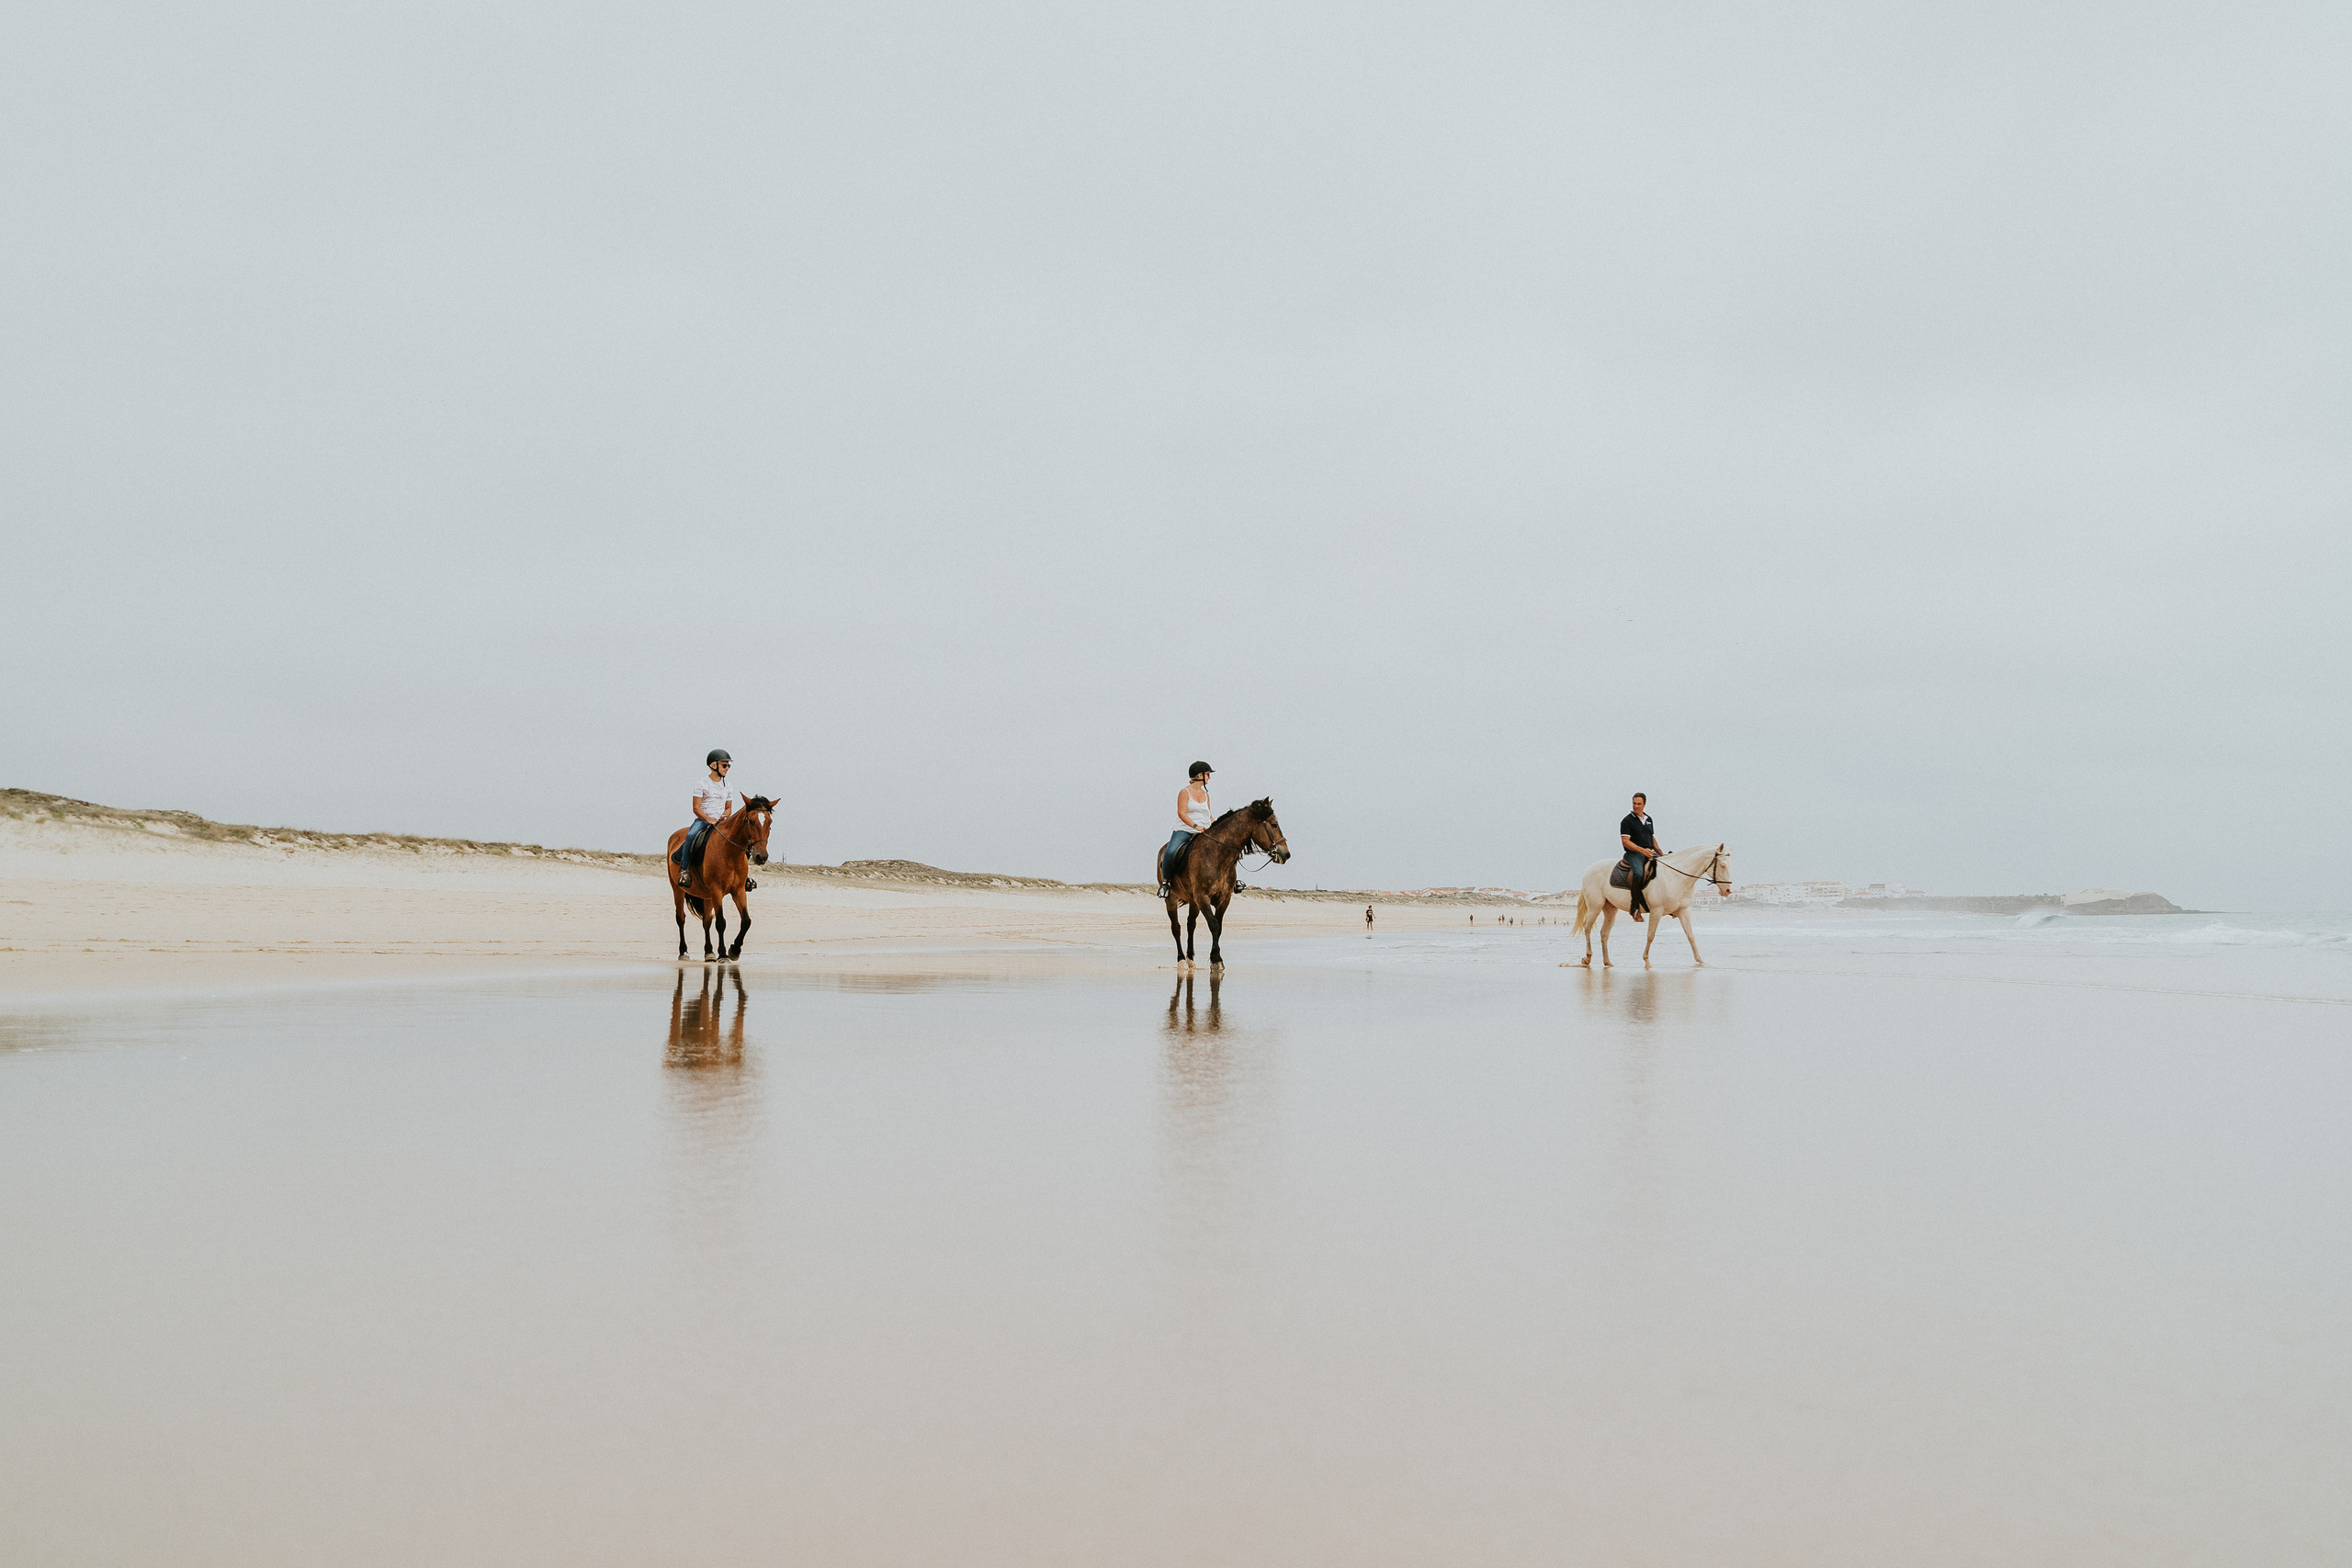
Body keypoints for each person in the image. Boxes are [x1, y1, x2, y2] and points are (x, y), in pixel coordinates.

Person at [676, 750, 752, 890]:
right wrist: (708, 819)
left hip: (722, 822)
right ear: (713, 765)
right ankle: (684, 871)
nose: (727, 768)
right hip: (703, 820)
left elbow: (729, 807)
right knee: (691, 836)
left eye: (729, 766)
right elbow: (696, 808)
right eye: (724, 765)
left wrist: (725, 815)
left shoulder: (728, 785)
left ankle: (744, 876)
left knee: (742, 839)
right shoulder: (701, 784)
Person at [1159, 761, 1215, 897]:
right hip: (1185, 830)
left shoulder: (1206, 794)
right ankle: (1166, 883)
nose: (1209, 778)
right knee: (1171, 852)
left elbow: (1209, 815)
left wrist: (1217, 825)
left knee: (1223, 850)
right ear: (1200, 775)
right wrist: (1196, 826)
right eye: (1208, 774)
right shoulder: (1185, 792)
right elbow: (1182, 813)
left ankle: (1231, 882)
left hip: (1204, 831)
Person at [1620, 791, 1658, 922]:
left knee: (1667, 867)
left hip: (1650, 851)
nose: (1635, 806)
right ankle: (1634, 908)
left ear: (1644, 804)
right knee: (1638, 874)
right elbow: (1626, 841)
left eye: (1639, 804)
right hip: (1634, 853)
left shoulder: (1649, 819)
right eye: (1634, 803)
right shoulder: (1627, 821)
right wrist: (1642, 851)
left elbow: (1651, 837)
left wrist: (1659, 851)